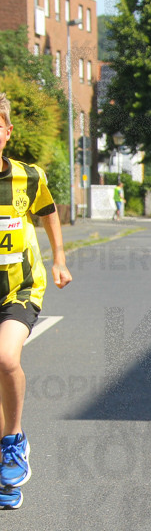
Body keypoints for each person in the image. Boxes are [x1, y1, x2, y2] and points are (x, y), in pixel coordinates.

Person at [0, 91, 73, 509]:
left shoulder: (29, 177)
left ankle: (15, 439)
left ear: (8, 132)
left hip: (20, 286)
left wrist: (60, 258)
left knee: (6, 360)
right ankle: (5, 479)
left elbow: (47, 211)